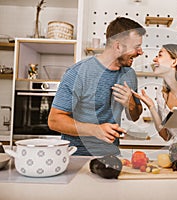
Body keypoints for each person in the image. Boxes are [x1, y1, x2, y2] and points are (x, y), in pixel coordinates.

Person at [48, 17, 146, 156]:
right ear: (118, 46)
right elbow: (54, 120)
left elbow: (135, 116)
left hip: (111, 155)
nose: (140, 52)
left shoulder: (129, 74)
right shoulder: (78, 73)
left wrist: (130, 103)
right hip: (77, 155)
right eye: (136, 47)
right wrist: (95, 130)